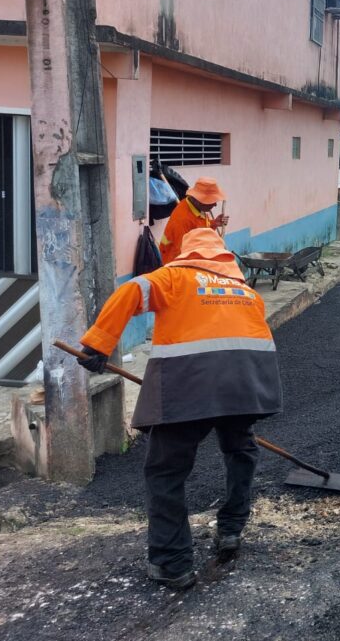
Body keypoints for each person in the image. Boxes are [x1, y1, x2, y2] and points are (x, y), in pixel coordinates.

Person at [78, 228, 282, 588]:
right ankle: (232, 529)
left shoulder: (173, 276)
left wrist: (98, 345)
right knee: (241, 450)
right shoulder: (246, 291)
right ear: (224, 257)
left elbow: (130, 291)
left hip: (190, 383)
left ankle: (173, 562)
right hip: (247, 383)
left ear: (187, 254)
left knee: (166, 471)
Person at [158, 177, 229, 264]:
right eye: (212, 201)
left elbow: (198, 228)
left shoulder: (196, 208)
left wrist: (214, 223)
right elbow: (183, 255)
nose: (215, 205)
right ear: (199, 201)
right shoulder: (182, 220)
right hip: (176, 264)